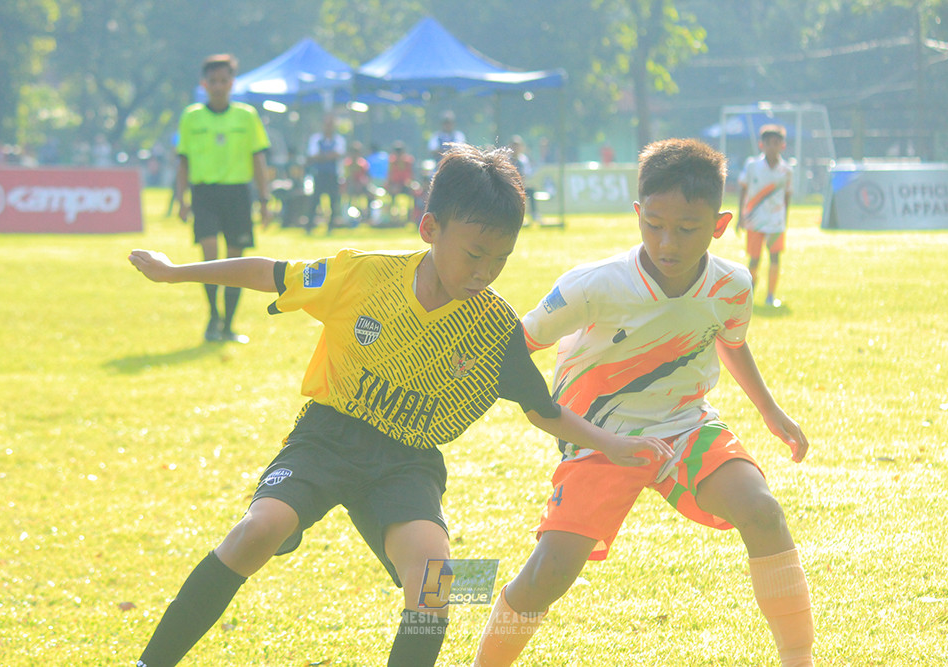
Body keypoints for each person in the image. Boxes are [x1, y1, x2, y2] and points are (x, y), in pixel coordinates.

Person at [127, 143, 673, 667]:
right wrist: (174, 272)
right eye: (475, 254)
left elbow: (542, 409)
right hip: (328, 436)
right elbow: (270, 272)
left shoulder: (492, 327)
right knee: (259, 530)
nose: (484, 272)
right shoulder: (364, 274)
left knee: (438, 582)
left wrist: (613, 444)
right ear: (430, 228)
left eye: (500, 259)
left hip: (407, 461)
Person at [474, 138, 814, 667]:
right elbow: (516, 344)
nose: (667, 243)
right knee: (549, 573)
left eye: (687, 229)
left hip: (686, 428)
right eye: (653, 225)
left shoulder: (732, 284)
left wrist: (770, 410)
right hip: (600, 440)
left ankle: (799, 658)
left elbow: (731, 340)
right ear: (637, 213)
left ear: (720, 225)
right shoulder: (593, 285)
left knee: (763, 512)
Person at [175, 54, 271, 344]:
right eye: (213, 81)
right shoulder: (192, 117)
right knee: (209, 256)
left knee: (235, 263)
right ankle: (212, 317)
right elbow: (183, 161)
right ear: (204, 84)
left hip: (237, 194)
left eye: (223, 80)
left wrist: (264, 200)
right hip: (204, 194)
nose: (218, 86)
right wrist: (181, 199)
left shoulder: (246, 116)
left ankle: (228, 325)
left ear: (232, 83)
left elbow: (258, 160)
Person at [737, 124, 793, 308]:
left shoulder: (786, 170)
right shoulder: (752, 165)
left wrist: (785, 219)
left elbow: (787, 196)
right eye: (769, 143)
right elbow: (743, 189)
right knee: (754, 259)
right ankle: (750, 293)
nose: (772, 147)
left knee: (775, 257)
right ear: (762, 145)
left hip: (776, 221)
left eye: (776, 143)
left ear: (782, 145)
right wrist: (740, 216)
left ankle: (770, 296)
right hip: (754, 220)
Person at [304, 113, 346, 235]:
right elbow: (313, 156)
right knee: (315, 200)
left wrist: (322, 157)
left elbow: (338, 154)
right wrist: (329, 156)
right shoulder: (316, 139)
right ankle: (309, 226)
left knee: (333, 201)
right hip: (319, 174)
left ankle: (331, 226)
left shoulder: (339, 139)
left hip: (333, 175)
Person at [509, 136, 538, 224]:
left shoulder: (523, 160)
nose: (515, 148)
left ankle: (534, 215)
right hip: (509, 186)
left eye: (517, 146)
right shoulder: (507, 159)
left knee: (531, 191)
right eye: (514, 146)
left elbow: (527, 173)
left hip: (522, 186)